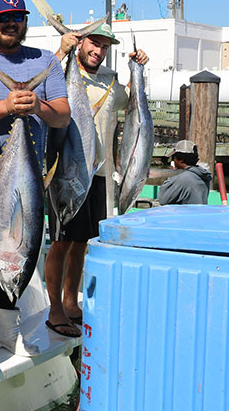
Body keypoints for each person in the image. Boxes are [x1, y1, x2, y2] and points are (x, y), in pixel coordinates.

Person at [0, 0, 71, 370]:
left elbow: (62, 117)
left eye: (18, 17)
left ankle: (4, 332)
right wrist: (7, 106)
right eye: (3, 17)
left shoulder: (46, 61)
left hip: (27, 181)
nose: (11, 23)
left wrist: (36, 105)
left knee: (16, 254)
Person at [44, 23, 148, 337]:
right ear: (81, 43)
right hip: (67, 171)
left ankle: (71, 301)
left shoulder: (111, 82)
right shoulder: (60, 73)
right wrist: (62, 49)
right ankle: (54, 309)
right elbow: (40, 83)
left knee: (81, 243)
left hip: (98, 174)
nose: (98, 51)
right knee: (60, 243)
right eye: (93, 43)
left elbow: (133, 102)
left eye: (104, 46)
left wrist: (139, 67)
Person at [158, 140, 211, 205]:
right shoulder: (202, 175)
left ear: (181, 160)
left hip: (184, 214)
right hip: (198, 213)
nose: (173, 161)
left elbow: (162, 199)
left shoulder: (181, 177)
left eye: (173, 158)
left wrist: (173, 175)